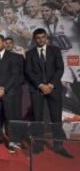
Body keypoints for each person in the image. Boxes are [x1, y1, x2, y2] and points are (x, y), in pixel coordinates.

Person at [25, 28, 72, 158]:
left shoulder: (55, 50)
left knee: (56, 118)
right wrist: (41, 85)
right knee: (38, 119)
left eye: (43, 37)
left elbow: (59, 69)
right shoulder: (30, 53)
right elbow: (29, 72)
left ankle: (58, 146)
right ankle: (38, 145)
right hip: (37, 89)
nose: (40, 40)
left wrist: (50, 85)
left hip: (54, 89)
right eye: (38, 38)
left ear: (46, 38)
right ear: (34, 39)